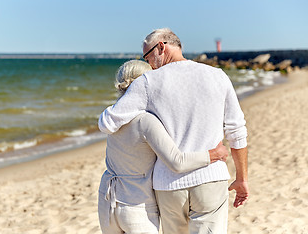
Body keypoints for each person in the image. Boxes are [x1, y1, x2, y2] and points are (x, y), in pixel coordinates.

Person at [99, 29, 249, 234]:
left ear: (161, 47)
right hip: (210, 178)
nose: (148, 63)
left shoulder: (147, 82)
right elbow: (236, 131)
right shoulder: (217, 76)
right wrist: (241, 179)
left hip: (168, 185)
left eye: (147, 55)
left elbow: (108, 123)